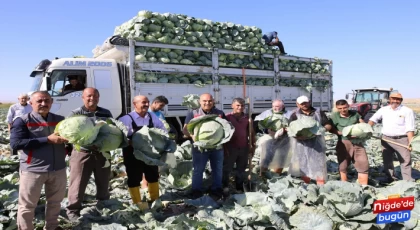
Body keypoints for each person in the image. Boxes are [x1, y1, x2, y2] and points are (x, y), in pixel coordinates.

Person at [10, 91, 68, 230]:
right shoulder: (23, 120)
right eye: (39, 101)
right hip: (33, 170)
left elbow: (69, 141)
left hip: (58, 169)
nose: (44, 104)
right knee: (27, 206)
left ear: (51, 102)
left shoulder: (61, 120)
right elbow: (16, 144)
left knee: (55, 203)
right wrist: (47, 139)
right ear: (31, 103)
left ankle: (52, 227)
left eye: (47, 101)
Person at [66, 88, 113, 222]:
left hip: (102, 153)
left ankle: (103, 206)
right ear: (83, 98)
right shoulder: (75, 114)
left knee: (103, 182)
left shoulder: (105, 112)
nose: (92, 98)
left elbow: (111, 130)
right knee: (78, 183)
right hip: (82, 153)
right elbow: (69, 133)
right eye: (89, 96)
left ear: (99, 97)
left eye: (95, 96)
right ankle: (73, 210)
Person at [118, 95, 167, 210]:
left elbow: (162, 130)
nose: (146, 105)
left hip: (150, 152)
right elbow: (121, 138)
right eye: (143, 102)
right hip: (132, 153)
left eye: (147, 102)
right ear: (135, 104)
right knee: (134, 177)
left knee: (153, 175)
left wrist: (160, 140)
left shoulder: (152, 117)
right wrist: (131, 142)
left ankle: (154, 199)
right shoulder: (126, 119)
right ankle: (137, 202)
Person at [182, 93, 227, 200]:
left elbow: (226, 127)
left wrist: (222, 138)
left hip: (217, 147)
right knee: (198, 169)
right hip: (199, 148)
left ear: (213, 102)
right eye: (205, 101)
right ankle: (196, 190)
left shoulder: (219, 113)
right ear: (199, 102)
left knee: (217, 169)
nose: (207, 103)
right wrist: (193, 136)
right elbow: (184, 130)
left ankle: (216, 189)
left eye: (210, 101)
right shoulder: (193, 114)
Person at [368, 92, 416, 183]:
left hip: (402, 139)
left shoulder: (407, 111)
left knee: (405, 161)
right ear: (389, 99)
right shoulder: (383, 110)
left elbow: (410, 128)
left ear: (401, 101)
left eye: (398, 99)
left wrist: (410, 142)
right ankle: (391, 178)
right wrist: (366, 128)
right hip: (386, 139)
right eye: (393, 99)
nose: (395, 101)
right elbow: (373, 120)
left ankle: (408, 181)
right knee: (387, 161)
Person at [288, 95, 331, 185]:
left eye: (306, 102)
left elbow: (328, 125)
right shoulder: (294, 114)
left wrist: (321, 130)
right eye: (302, 103)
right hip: (301, 144)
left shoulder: (318, 112)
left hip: (317, 142)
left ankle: (320, 185)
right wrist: (298, 137)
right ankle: (306, 185)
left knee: (319, 164)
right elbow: (290, 129)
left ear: (310, 101)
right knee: (303, 164)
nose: (304, 105)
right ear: (297, 104)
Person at [329, 100, 370, 185]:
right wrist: (340, 132)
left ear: (348, 106)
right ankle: (344, 184)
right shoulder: (334, 116)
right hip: (343, 142)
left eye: (344, 107)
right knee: (343, 163)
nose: (343, 110)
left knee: (363, 162)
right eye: (340, 108)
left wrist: (362, 132)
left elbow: (363, 124)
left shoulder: (355, 114)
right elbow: (331, 129)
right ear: (337, 108)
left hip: (357, 142)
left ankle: (364, 186)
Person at [222, 98, 256, 193]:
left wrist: (253, 145)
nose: (240, 107)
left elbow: (251, 133)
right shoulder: (227, 118)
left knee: (241, 168)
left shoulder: (247, 118)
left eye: (242, 106)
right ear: (232, 106)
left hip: (243, 147)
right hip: (230, 147)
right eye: (237, 105)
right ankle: (225, 186)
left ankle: (239, 187)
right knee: (227, 168)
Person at [255, 99, 293, 176]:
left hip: (285, 139)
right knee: (266, 157)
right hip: (270, 138)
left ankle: (277, 174)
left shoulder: (289, 114)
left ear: (283, 106)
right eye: (273, 106)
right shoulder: (267, 113)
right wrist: (267, 130)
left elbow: (294, 125)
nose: (275, 108)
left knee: (282, 158)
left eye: (277, 106)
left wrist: (285, 130)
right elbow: (258, 124)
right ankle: (262, 175)